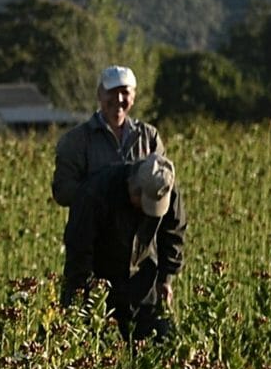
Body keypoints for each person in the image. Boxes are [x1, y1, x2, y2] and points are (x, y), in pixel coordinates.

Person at [63, 151, 185, 343]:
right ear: (133, 188)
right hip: (98, 281)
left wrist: (165, 278)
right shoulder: (95, 192)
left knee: (164, 344)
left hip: (144, 281)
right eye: (144, 203)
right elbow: (79, 248)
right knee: (89, 349)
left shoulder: (164, 187)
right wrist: (86, 292)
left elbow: (173, 233)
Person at [52, 65, 162, 209]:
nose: (118, 98)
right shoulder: (76, 140)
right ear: (99, 95)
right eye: (111, 92)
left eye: (125, 92)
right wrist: (103, 192)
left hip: (137, 229)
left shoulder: (149, 136)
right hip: (93, 229)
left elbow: (163, 182)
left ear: (133, 97)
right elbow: (62, 191)